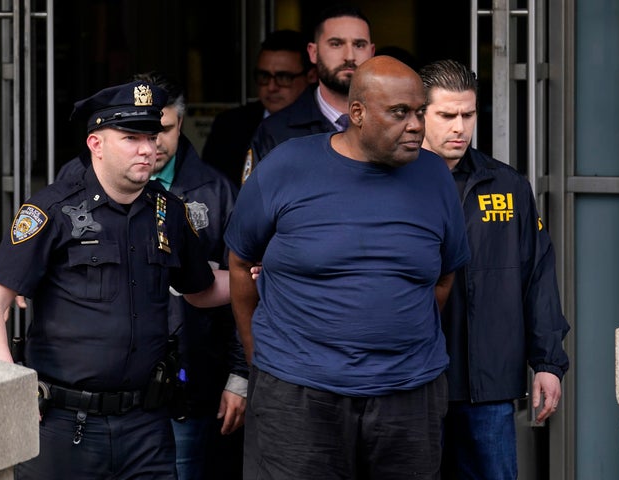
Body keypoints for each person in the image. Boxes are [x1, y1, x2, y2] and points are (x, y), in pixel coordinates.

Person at [225, 55, 471, 479]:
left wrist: (393, 330)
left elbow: (444, 275)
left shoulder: (434, 176)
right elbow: (240, 261)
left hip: (408, 397)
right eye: (399, 113)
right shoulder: (286, 166)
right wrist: (259, 359)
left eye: (418, 112)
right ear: (356, 113)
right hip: (297, 395)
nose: (416, 125)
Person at [0, 80, 231, 479]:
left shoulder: (170, 213)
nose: (148, 148)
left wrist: (271, 280)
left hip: (147, 426)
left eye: (152, 135)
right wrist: (11, 392)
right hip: (62, 424)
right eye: (131, 138)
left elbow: (203, 290)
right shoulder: (52, 209)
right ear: (96, 143)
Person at [57, 71, 248, 479]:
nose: (151, 144)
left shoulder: (215, 191)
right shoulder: (70, 187)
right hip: (81, 395)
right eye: (135, 133)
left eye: (159, 130)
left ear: (181, 124)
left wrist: (241, 373)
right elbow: (12, 282)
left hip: (183, 383)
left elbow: (228, 287)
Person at [419, 59, 571, 479]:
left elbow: (537, 275)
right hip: (412, 384)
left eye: (467, 115)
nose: (459, 128)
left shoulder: (507, 184)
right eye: (446, 115)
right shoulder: (395, 181)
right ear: (420, 114)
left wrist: (548, 362)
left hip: (489, 387)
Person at [243, 4, 376, 181]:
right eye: (336, 44)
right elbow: (256, 207)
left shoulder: (396, 124)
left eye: (359, 45)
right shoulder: (276, 131)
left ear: (372, 52)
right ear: (313, 53)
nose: (350, 56)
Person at [200, 29, 316, 187]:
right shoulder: (229, 126)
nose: (271, 86)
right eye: (264, 76)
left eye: (283, 77)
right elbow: (210, 189)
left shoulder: (325, 126)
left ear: (311, 76)